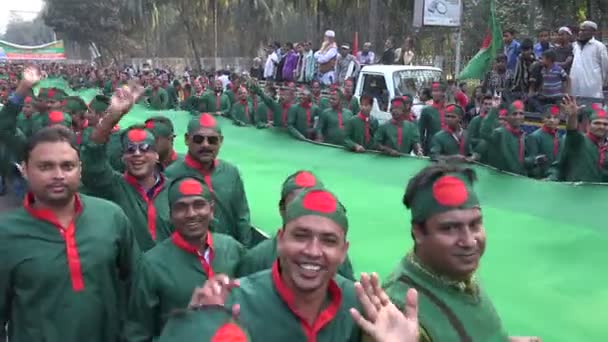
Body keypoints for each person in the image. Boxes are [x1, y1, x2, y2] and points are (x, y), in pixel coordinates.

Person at [160, 187, 362, 341]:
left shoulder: (359, 304)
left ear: (343, 251)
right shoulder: (232, 305)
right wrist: (198, 326)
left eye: (328, 241)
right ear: (280, 240)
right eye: (301, 236)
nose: (312, 251)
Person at [0, 126, 140, 342]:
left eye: (68, 166)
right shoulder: (6, 233)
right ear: (25, 170)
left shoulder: (111, 216)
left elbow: (136, 287)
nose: (58, 175)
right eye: (45, 166)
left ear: (80, 169)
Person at [383, 163, 541, 341]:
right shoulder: (398, 313)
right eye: (449, 228)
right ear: (418, 232)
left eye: (475, 224)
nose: (469, 241)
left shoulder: (454, 273)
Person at [125, 177, 245, 341]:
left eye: (199, 205)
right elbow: (138, 332)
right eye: (181, 207)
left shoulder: (233, 249)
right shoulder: (151, 264)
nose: (191, 214)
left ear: (211, 210)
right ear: (170, 215)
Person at [81, 85, 173, 252]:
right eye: (130, 149)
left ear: (157, 155)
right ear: (123, 158)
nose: (137, 154)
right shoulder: (114, 186)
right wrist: (113, 116)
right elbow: (92, 159)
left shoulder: (174, 190)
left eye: (145, 148)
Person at [237, 170, 354, 279]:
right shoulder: (257, 258)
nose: (313, 251)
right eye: (295, 206)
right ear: (282, 210)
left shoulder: (335, 256)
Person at [165, 114, 253, 247]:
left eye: (212, 140)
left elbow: (242, 216)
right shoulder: (170, 175)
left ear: (221, 141)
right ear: (187, 139)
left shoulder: (230, 172)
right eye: (199, 139)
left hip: (227, 253)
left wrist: (244, 250)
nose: (205, 145)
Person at [479, 100, 544, 175]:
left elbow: (520, 161)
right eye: (514, 114)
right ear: (508, 117)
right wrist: (494, 109)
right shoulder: (500, 133)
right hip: (500, 179)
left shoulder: (523, 136)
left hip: (516, 180)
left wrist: (534, 160)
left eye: (521, 113)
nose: (518, 117)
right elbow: (484, 133)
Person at [557, 96, 608, 182]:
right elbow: (572, 131)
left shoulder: (605, 148)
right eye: (597, 123)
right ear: (588, 125)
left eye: (605, 124)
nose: (601, 126)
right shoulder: (579, 140)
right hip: (577, 192)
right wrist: (572, 116)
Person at [570, 20, 608, 100]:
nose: (581, 32)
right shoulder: (575, 46)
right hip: (575, 85)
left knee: (594, 110)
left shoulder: (599, 47)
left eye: (584, 30)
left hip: (593, 87)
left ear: (593, 32)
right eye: (580, 30)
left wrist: (604, 82)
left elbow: (605, 66)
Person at [526, 105, 562, 179]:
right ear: (543, 119)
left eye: (555, 117)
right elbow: (530, 161)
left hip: (555, 178)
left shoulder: (558, 137)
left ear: (559, 120)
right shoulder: (534, 136)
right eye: (548, 117)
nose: (552, 120)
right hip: (540, 179)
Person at [419, 82, 448, 154]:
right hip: (431, 145)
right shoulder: (426, 110)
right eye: (434, 91)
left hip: (448, 145)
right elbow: (421, 131)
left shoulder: (449, 109)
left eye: (438, 91)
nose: (435, 93)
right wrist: (420, 147)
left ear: (443, 93)